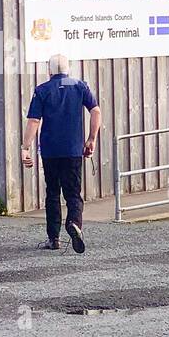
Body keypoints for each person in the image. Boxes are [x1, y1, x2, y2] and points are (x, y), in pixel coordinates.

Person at [21, 54, 102, 253]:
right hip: (73, 150)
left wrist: (25, 148)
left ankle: (54, 238)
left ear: (49, 70)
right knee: (73, 193)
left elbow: (34, 121)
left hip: (50, 151)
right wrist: (91, 138)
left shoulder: (42, 90)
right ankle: (74, 223)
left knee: (53, 193)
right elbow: (96, 111)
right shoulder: (79, 86)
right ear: (68, 69)